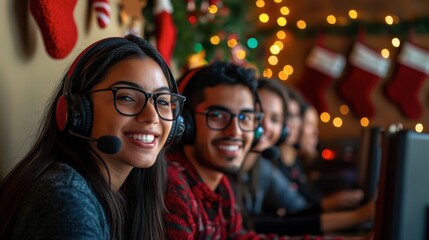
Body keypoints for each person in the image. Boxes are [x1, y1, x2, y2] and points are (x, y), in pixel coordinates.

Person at [0, 34, 186, 239]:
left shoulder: (129, 196)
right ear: (77, 111)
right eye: (126, 97)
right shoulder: (66, 198)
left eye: (162, 101)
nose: (151, 117)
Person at [236, 78, 374, 236]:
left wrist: (354, 214)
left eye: (274, 119)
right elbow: (258, 225)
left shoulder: (262, 166)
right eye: (258, 114)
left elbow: (295, 211)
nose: (266, 125)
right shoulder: (233, 165)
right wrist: (356, 216)